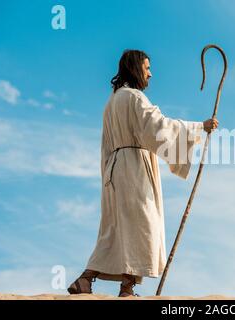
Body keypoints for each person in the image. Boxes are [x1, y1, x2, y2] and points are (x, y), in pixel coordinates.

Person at [67, 49, 218, 297]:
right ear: (136, 69)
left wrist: (107, 175)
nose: (150, 73)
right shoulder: (135, 98)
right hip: (134, 170)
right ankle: (122, 287)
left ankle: (97, 281)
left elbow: (105, 145)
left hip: (114, 171)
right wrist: (199, 127)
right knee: (142, 225)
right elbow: (159, 128)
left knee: (118, 229)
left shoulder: (112, 102)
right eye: (147, 68)